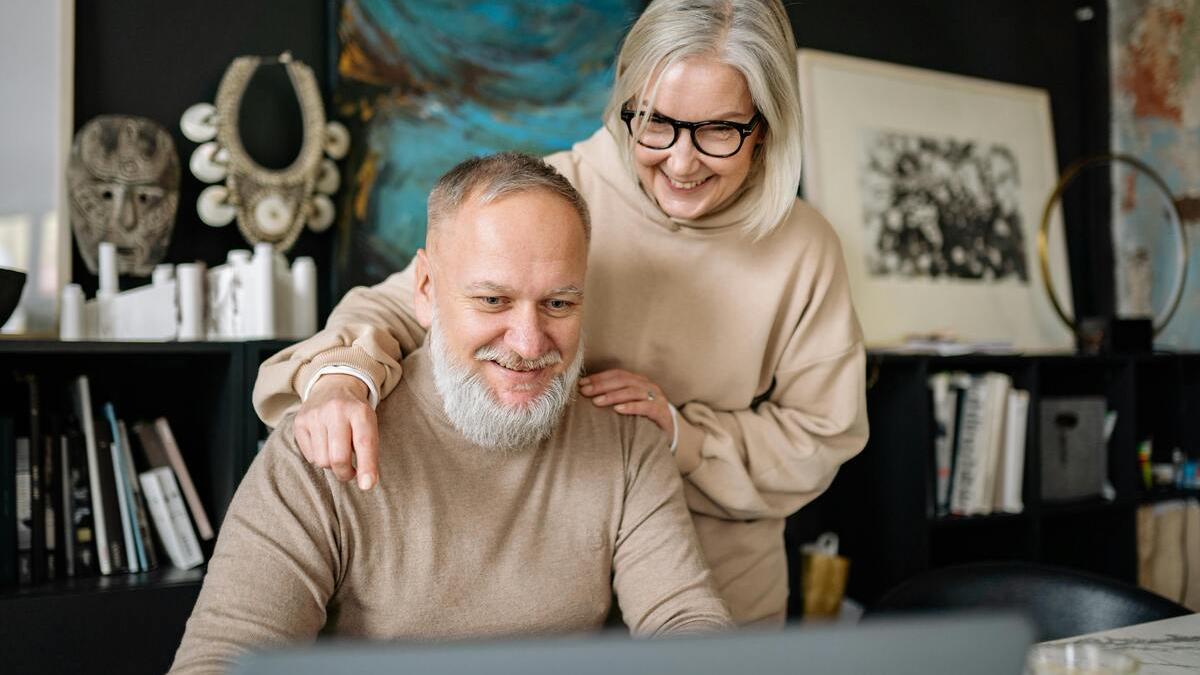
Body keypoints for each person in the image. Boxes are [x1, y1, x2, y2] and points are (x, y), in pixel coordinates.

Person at [254, 0, 868, 625]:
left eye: (718, 131)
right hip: (553, 575)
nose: (682, 163)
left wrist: (682, 436)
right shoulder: (560, 195)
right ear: (628, 103)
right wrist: (340, 376)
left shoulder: (804, 248)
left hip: (716, 589)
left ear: (763, 127)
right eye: (657, 124)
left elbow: (823, 435)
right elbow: (406, 303)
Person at [170, 154, 731, 674]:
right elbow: (221, 660)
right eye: (493, 300)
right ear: (426, 291)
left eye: (559, 303)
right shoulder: (328, 439)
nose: (530, 342)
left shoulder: (627, 438)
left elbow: (684, 620)